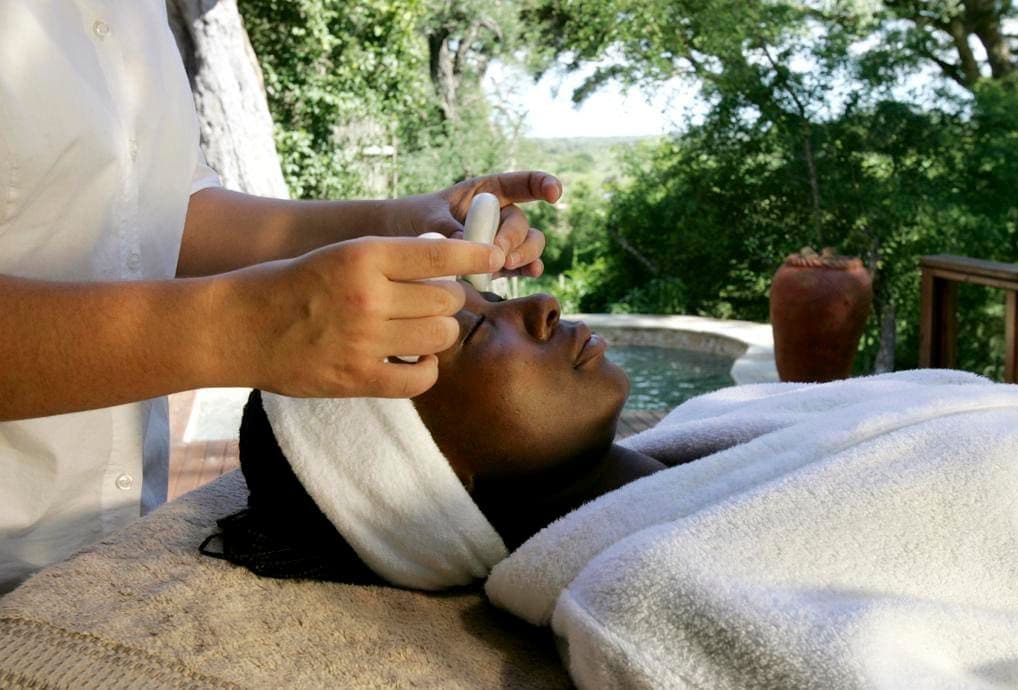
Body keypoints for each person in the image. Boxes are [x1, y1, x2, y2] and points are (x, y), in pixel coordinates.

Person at [0, 0, 560, 592]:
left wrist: (403, 219)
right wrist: (237, 327)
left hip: (98, 553)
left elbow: (162, 213)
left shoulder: (136, 17)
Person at [208, 283, 674, 583]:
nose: (542, 305)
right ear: (432, 475)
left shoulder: (702, 442)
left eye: (491, 299)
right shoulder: (659, 588)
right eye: (476, 334)